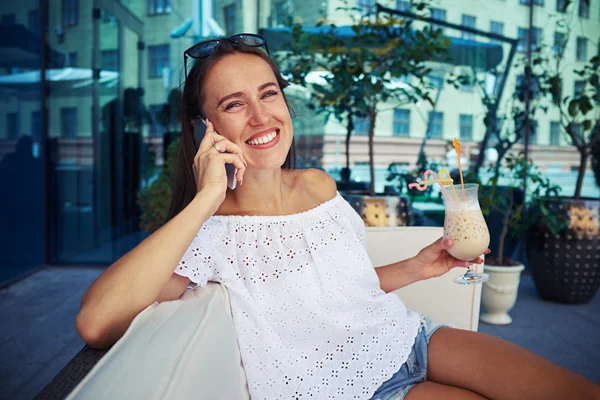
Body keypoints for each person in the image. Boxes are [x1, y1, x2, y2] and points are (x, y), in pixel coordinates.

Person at [75, 35, 600, 400]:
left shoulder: (319, 186)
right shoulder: (209, 233)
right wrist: (205, 198)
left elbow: (339, 292)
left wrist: (417, 267)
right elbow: (96, 321)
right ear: (206, 126)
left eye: (269, 93)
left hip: (407, 337)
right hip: (352, 389)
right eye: (234, 105)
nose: (262, 117)